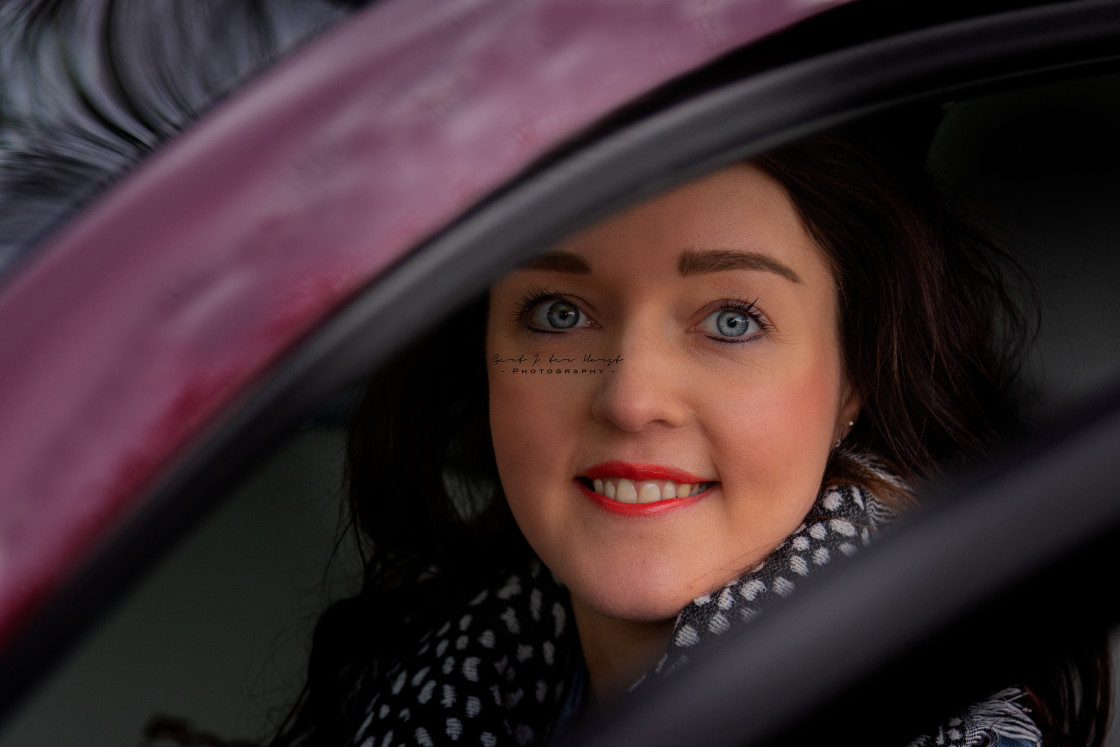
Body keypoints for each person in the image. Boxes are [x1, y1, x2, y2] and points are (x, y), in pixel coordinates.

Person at [271, 124, 1111, 747]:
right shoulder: (403, 690)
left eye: (733, 319)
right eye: (558, 314)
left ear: (852, 379)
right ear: (487, 357)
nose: (633, 398)